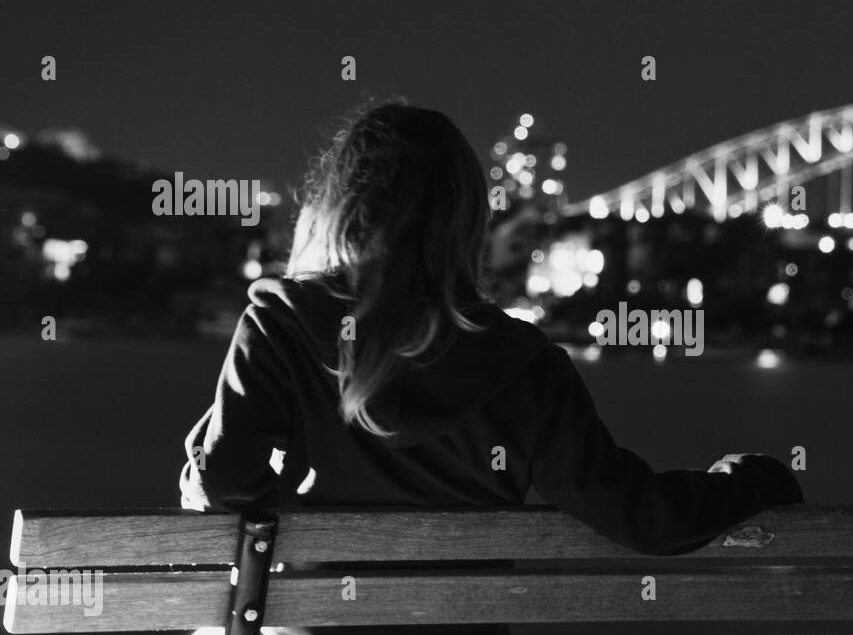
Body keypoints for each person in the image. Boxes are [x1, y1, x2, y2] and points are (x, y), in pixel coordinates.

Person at [178, 102, 802, 559]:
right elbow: (644, 519)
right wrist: (753, 479)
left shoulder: (281, 321)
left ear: (339, 208)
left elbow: (227, 484)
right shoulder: (525, 363)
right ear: (468, 221)